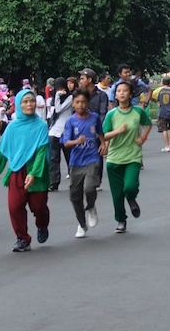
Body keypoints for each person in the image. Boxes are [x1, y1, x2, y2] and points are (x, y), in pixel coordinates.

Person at [0, 89, 50, 252]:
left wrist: (34, 173)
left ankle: (42, 226)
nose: (29, 105)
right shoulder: (12, 127)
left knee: (39, 206)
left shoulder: (41, 125)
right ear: (19, 105)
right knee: (15, 206)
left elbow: (42, 152)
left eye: (32, 101)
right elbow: (2, 150)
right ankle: (22, 238)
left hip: (37, 170)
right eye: (25, 102)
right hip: (17, 171)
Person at [103, 81, 152, 233]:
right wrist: (118, 131)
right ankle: (121, 220)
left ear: (130, 94)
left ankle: (131, 197)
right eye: (119, 91)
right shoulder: (111, 114)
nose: (122, 93)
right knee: (117, 195)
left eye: (125, 91)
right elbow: (104, 135)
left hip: (133, 156)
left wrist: (143, 137)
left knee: (130, 186)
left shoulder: (138, 111)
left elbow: (148, 123)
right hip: (114, 158)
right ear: (115, 95)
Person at [61, 89, 105, 237]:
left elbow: (100, 132)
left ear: (88, 103)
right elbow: (66, 143)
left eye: (83, 102)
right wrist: (77, 141)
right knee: (75, 195)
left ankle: (91, 206)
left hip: (92, 159)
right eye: (77, 102)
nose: (80, 105)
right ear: (73, 104)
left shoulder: (95, 118)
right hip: (76, 162)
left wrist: (103, 144)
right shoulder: (70, 121)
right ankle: (81, 223)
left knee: (90, 188)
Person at [47, 77, 72, 192]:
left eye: (61, 88)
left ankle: (74, 179)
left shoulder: (71, 98)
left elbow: (58, 109)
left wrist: (57, 96)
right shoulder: (52, 99)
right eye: (57, 88)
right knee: (54, 159)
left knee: (70, 157)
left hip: (65, 132)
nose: (59, 90)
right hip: (54, 132)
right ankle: (54, 183)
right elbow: (51, 114)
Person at [151, 77, 170, 151]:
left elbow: (151, 96)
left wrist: (157, 101)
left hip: (162, 111)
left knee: (164, 129)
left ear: (162, 82)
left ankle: (166, 146)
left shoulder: (158, 90)